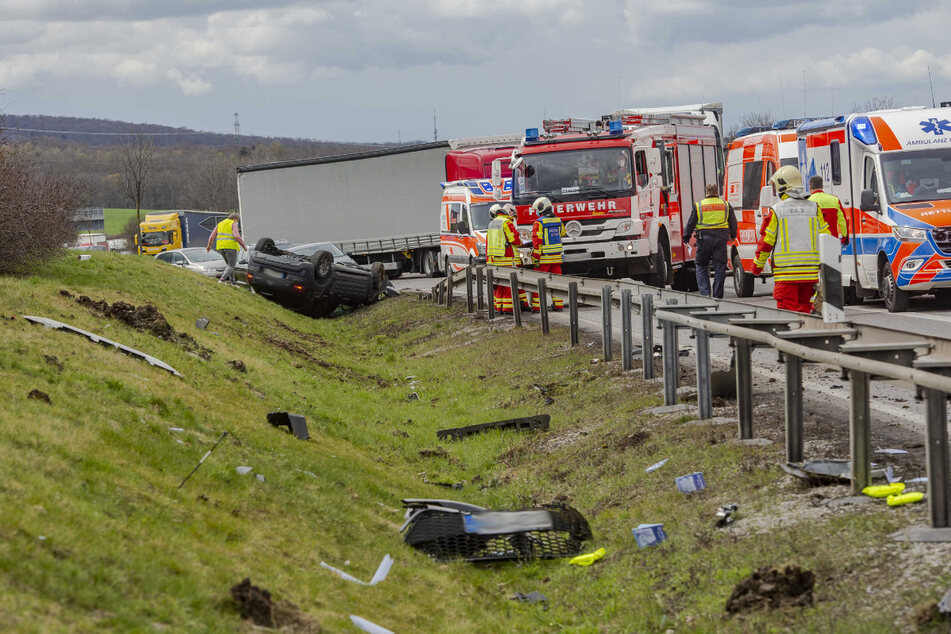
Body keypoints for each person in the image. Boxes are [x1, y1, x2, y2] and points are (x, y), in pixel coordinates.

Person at [751, 166, 831, 313]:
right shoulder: (814, 208)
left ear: (782, 187)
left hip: (786, 274)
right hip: (810, 274)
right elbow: (826, 238)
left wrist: (757, 266)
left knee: (788, 313)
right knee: (805, 310)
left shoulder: (777, 210)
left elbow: (766, 243)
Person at [683, 183, 737, 298]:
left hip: (703, 240)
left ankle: (705, 293)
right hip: (720, 240)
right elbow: (733, 222)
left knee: (701, 265)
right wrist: (733, 235)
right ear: (717, 192)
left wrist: (686, 237)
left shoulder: (699, 205)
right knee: (720, 267)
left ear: (706, 192)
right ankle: (717, 295)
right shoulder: (725, 205)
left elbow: (691, 223)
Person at [486, 203, 526, 313]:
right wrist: (522, 242)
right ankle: (508, 309)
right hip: (507, 258)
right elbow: (514, 239)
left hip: (495, 260)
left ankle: (499, 307)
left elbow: (488, 244)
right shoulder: (506, 222)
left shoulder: (491, 224)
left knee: (499, 285)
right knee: (509, 285)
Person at [529, 197, 566, 312]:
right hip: (556, 258)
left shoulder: (538, 223)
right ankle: (558, 305)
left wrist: (535, 257)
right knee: (556, 283)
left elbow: (537, 242)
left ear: (541, 208)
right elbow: (563, 233)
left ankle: (537, 306)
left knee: (539, 283)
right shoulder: (558, 221)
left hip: (544, 259)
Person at [206, 212, 247, 286]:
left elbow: (212, 236)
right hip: (230, 247)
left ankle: (233, 283)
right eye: (237, 221)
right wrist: (244, 246)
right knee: (232, 265)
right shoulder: (233, 223)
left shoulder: (220, 224)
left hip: (221, 247)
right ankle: (222, 280)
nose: (237, 222)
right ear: (235, 219)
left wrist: (209, 246)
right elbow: (237, 236)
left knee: (229, 265)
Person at [807, 175, 849, 246]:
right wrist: (844, 237)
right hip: (832, 241)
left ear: (810, 188)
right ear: (822, 186)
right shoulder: (834, 200)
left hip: (814, 243)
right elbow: (842, 221)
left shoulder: (808, 202)